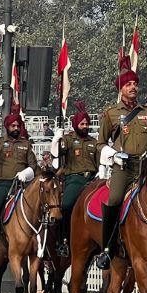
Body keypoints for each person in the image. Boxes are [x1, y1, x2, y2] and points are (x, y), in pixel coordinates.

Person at [96, 58, 147, 269]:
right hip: (123, 167)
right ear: (121, 89)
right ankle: (107, 249)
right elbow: (100, 143)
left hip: (146, 167)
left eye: (135, 84)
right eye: (128, 84)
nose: (133, 87)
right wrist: (112, 155)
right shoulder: (111, 114)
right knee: (115, 199)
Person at [0, 103, 37, 259]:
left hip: (23, 184)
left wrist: (27, 173)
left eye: (18, 125)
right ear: (7, 127)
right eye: (13, 125)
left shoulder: (26, 144)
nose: (16, 128)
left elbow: (34, 166)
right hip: (4, 183)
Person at [51, 102, 100, 258]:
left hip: (93, 179)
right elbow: (58, 155)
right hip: (75, 179)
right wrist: (56, 141)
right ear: (75, 125)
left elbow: (99, 162)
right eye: (82, 123)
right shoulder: (69, 139)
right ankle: (64, 241)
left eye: (87, 123)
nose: (85, 126)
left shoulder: (94, 141)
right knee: (66, 206)